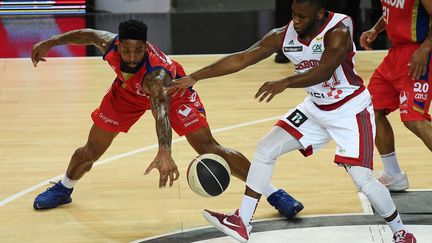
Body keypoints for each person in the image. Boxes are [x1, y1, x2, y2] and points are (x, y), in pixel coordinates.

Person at [169, 1, 416, 242]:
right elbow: (241, 59)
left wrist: (285, 82)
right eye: (293, 14)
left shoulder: (340, 28)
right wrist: (195, 77)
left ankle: (400, 232)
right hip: (315, 108)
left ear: (319, 14)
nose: (296, 21)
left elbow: (325, 70)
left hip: (350, 110)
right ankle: (242, 222)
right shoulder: (283, 35)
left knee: (363, 179)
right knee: (265, 148)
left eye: (302, 16)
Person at [30, 19, 304, 219]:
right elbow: (85, 33)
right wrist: (49, 42)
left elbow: (161, 108)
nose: (133, 56)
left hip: (174, 93)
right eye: (127, 51)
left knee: (210, 149)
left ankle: (272, 192)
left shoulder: (156, 74)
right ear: (118, 44)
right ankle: (64, 188)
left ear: (146, 46)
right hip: (125, 95)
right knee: (90, 150)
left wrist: (164, 150)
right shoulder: (108, 42)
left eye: (139, 51)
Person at [360, 0, 432, 192]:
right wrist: (376, 29)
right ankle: (393, 175)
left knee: (414, 119)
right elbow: (393, 12)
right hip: (396, 53)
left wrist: (426, 48)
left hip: (419, 53)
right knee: (369, 109)